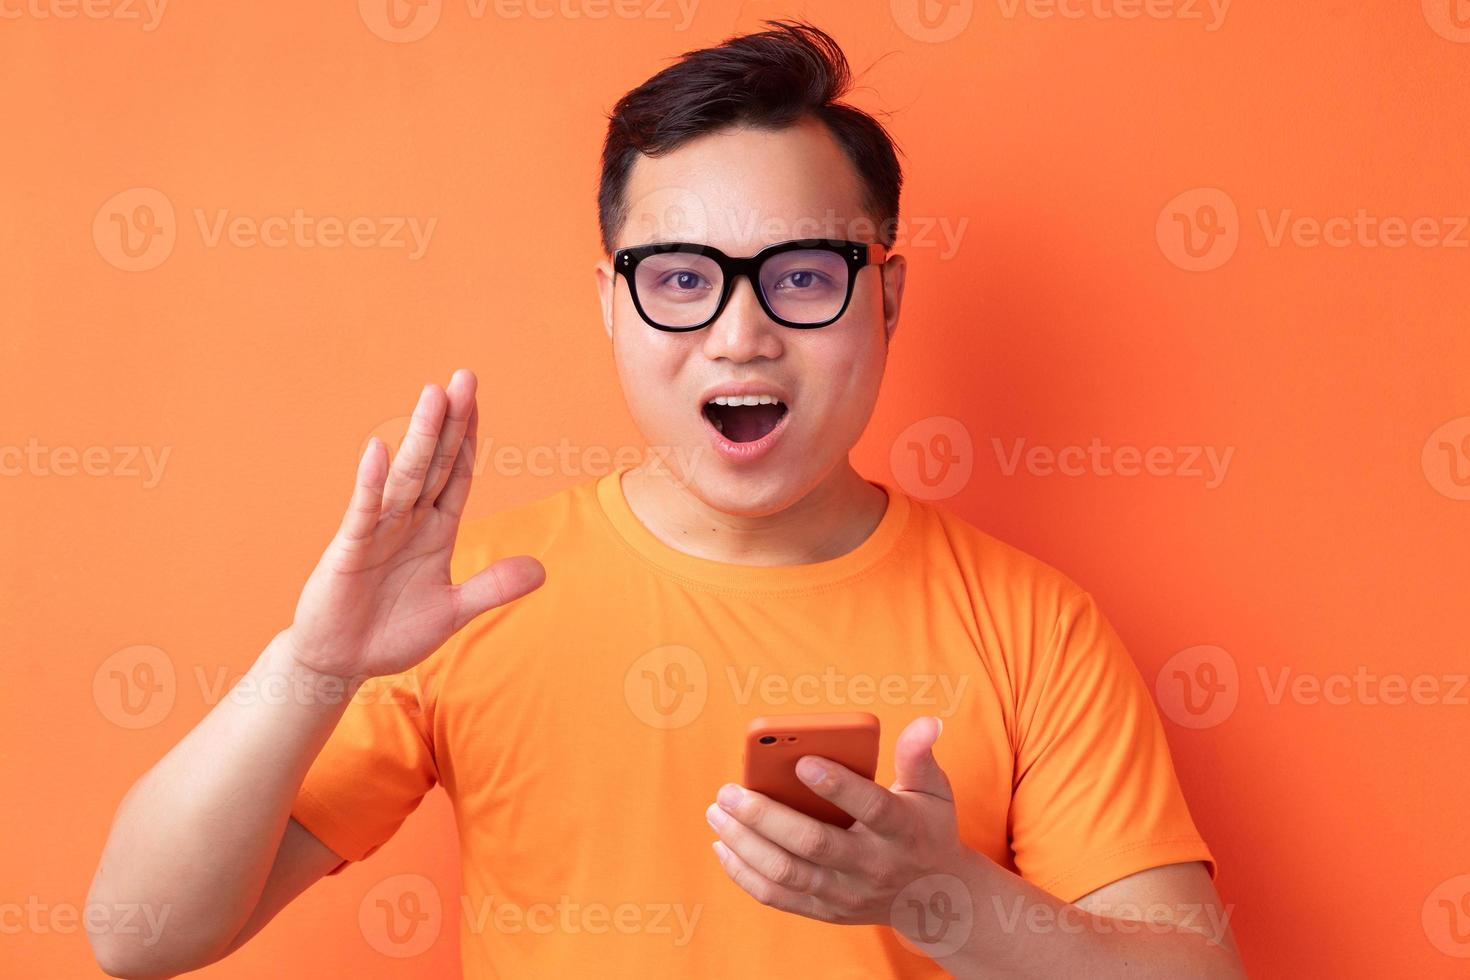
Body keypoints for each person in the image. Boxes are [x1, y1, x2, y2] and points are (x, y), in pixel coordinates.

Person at [87, 20, 1244, 979]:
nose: (741, 336)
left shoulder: (1033, 624)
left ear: (887, 297)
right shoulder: (466, 606)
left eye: (801, 275)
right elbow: (138, 934)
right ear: (611, 304)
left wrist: (949, 900)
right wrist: (315, 665)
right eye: (681, 279)